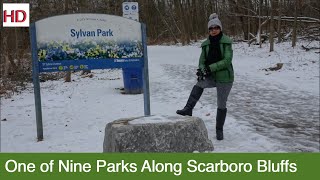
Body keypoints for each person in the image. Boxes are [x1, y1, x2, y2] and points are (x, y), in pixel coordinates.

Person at [176, 13, 234, 140]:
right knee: (199, 84)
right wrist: (202, 70)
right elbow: (202, 60)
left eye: (216, 28)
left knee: (221, 104)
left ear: (220, 28)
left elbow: (227, 60)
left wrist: (210, 68)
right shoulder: (205, 44)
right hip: (211, 75)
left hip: (225, 78)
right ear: (209, 30)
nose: (214, 30)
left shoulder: (226, 42)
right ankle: (188, 108)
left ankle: (219, 130)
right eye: (211, 28)